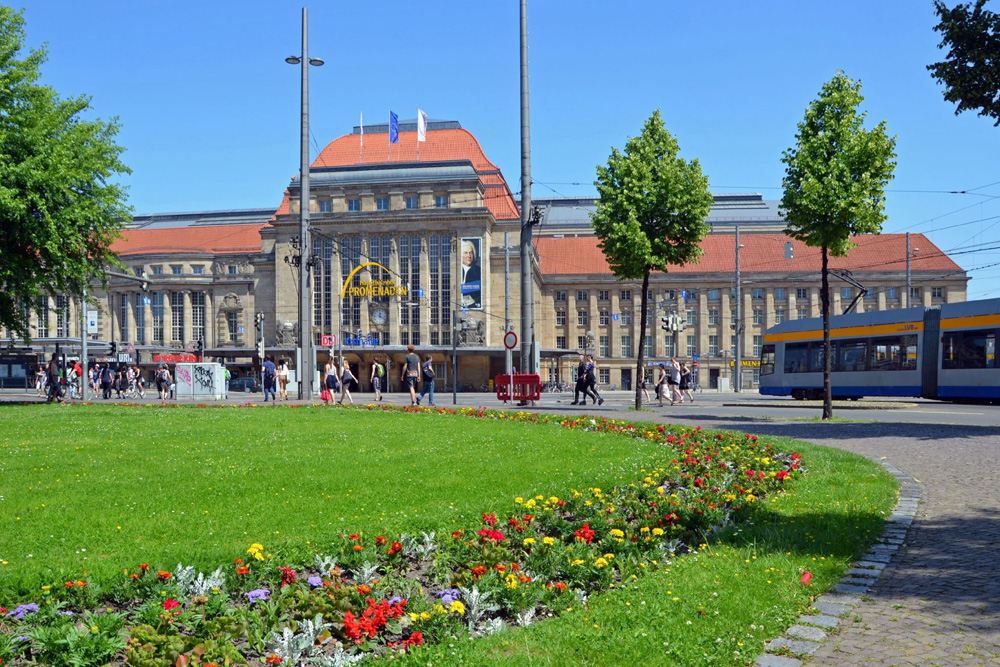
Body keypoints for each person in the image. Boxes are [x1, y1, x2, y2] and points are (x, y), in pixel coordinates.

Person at [460, 240, 482, 309]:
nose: (468, 256)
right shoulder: (456, 269)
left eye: (471, 253)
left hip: (472, 306)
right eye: (465, 253)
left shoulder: (478, 271)